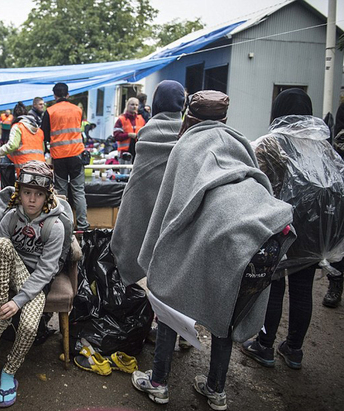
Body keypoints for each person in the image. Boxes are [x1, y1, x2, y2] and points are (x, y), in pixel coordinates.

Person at [131, 90, 295, 410]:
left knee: (168, 294)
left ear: (189, 116)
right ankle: (216, 390)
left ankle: (159, 382)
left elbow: (171, 206)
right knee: (228, 309)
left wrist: (157, 256)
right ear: (223, 118)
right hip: (262, 235)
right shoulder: (240, 141)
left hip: (214, 234)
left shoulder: (186, 145)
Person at [241, 89, 344, 369]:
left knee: (272, 288)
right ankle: (294, 350)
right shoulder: (324, 147)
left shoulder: (269, 144)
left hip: (279, 229)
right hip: (313, 234)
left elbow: (253, 185)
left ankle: (265, 345)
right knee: (303, 290)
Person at [0, 161, 65, 408]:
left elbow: (46, 271)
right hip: (7, 273)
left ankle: (8, 373)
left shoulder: (55, 227)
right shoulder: (11, 217)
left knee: (27, 326)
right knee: (1, 244)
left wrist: (18, 301)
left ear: (47, 195)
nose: (32, 199)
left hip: (35, 284)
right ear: (19, 193)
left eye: (38, 194)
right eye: (27, 193)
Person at [111, 80, 185, 286]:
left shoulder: (147, 133)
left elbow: (136, 187)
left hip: (146, 207)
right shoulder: (188, 136)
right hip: (175, 213)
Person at [41, 82, 89, 230]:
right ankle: (82, 225)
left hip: (59, 156)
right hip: (76, 155)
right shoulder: (77, 110)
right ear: (68, 94)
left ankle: (64, 224)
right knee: (78, 191)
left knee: (61, 192)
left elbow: (45, 134)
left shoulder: (50, 111)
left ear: (54, 95)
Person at [0, 102, 45, 175]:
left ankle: (7, 185)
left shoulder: (18, 126)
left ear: (14, 116)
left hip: (25, 169)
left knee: (5, 162)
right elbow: (42, 149)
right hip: (41, 168)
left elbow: (12, 146)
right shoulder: (38, 130)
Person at [113, 97, 146, 162]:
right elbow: (116, 136)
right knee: (124, 171)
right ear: (128, 106)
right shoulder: (121, 119)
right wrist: (129, 135)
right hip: (124, 154)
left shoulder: (141, 120)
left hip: (138, 152)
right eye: (132, 104)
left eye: (136, 105)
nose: (134, 107)